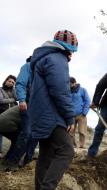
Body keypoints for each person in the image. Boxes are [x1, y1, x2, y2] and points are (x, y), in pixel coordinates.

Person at [29, 30, 78, 189]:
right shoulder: (57, 58)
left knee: (46, 154)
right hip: (51, 114)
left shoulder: (44, 57)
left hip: (40, 112)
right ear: (69, 47)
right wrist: (70, 117)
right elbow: (60, 91)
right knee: (66, 151)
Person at [0, 56, 39, 171]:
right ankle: (11, 163)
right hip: (4, 123)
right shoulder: (27, 69)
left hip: (6, 120)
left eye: (13, 81)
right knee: (25, 135)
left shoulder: (17, 93)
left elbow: (18, 95)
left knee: (19, 138)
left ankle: (8, 159)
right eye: (10, 81)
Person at [70, 77, 91, 148]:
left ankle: (81, 146)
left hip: (81, 115)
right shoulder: (67, 91)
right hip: (71, 115)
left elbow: (87, 101)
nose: (70, 86)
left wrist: (84, 112)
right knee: (70, 132)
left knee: (82, 131)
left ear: (74, 82)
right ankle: (73, 146)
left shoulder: (82, 90)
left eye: (71, 84)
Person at [0, 75, 18, 158]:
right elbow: (1, 100)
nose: (11, 83)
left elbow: (17, 97)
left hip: (11, 118)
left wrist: (14, 96)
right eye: (9, 81)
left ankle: (10, 155)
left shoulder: (13, 90)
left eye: (13, 82)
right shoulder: (0, 89)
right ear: (6, 81)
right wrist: (12, 100)